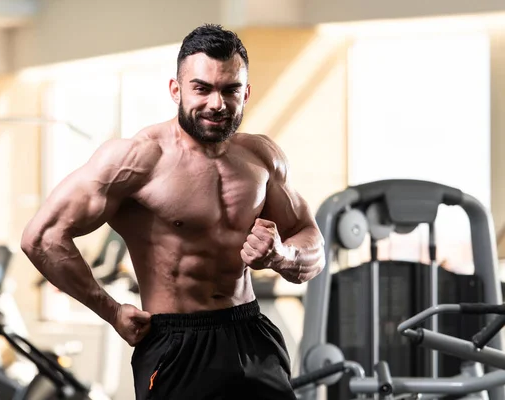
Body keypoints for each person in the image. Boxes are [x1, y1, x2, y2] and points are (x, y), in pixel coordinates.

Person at [21, 24, 325, 400]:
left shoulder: (262, 157)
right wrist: (112, 311)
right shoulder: (137, 159)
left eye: (230, 89)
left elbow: (313, 244)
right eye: (202, 88)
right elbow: (42, 238)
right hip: (178, 344)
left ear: (246, 92)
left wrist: (282, 254)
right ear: (175, 90)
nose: (217, 103)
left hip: (251, 332)